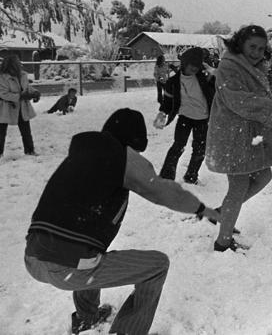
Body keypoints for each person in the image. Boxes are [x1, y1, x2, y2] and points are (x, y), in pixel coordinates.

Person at [23, 108, 221, 335]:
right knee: (156, 266)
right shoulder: (119, 155)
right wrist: (201, 209)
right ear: (131, 142)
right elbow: (162, 191)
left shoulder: (81, 157)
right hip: (67, 266)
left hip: (33, 259)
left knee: (90, 254)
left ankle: (86, 318)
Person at [205, 25, 272, 252]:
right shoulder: (228, 66)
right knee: (239, 185)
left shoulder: (256, 65)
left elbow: (269, 87)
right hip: (232, 134)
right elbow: (237, 100)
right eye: (252, 46)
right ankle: (223, 241)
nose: (257, 52)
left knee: (263, 176)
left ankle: (222, 212)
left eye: (261, 48)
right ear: (240, 43)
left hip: (250, 134)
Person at [154, 47, 216, 184]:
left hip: (202, 119)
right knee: (178, 146)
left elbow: (221, 86)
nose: (194, 68)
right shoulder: (174, 82)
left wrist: (214, 73)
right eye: (191, 64)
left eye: (197, 65)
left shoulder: (205, 77)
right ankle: (166, 177)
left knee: (200, 149)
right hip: (185, 118)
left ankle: (191, 176)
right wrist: (162, 113)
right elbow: (168, 102)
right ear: (185, 64)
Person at [0, 54, 39, 157]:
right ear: (11, 64)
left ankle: (30, 151)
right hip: (5, 108)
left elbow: (27, 88)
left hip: (22, 107)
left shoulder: (23, 75)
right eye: (17, 62)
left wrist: (35, 93)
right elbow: (3, 94)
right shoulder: (2, 77)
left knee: (26, 131)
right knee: (1, 132)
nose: (19, 63)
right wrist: (21, 97)